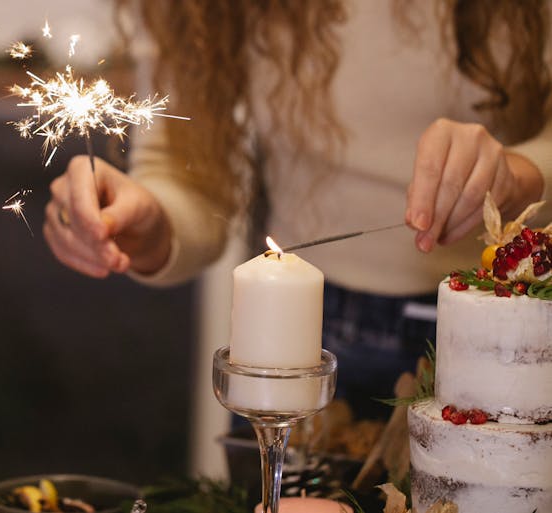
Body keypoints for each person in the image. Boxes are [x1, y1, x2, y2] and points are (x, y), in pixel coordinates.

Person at [43, 1, 552, 418]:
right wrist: (150, 220)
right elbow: (183, 170)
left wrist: (518, 173)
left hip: (518, 329)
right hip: (307, 340)